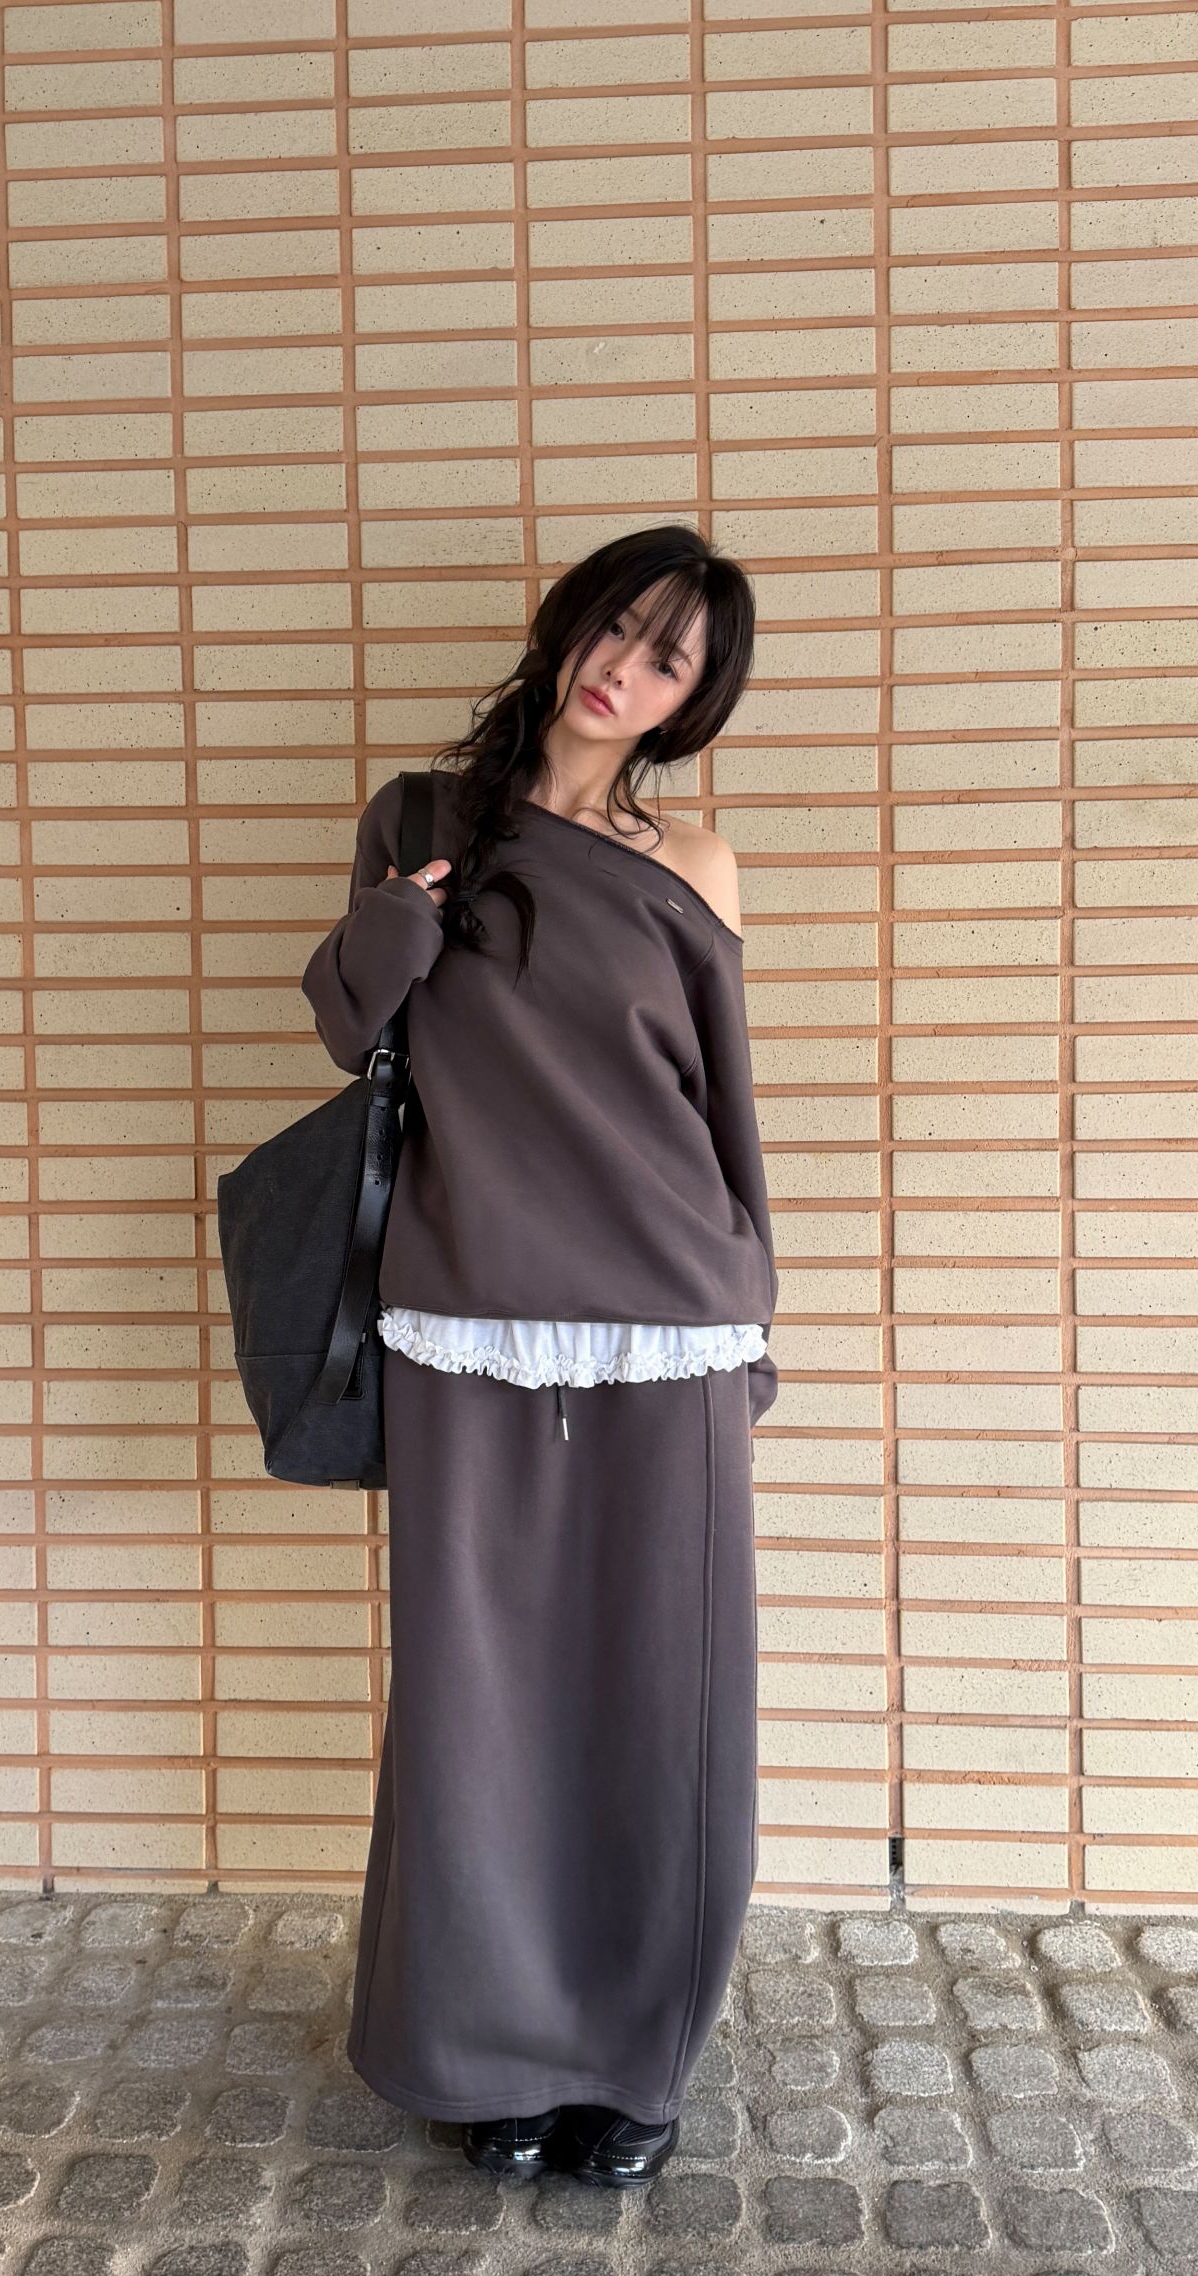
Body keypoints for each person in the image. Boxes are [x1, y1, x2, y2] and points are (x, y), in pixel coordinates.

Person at [299, 524, 777, 2190]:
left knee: (667, 1698)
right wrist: (399, 926)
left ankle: (634, 2065)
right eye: (617, 629)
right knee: (476, 1701)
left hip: (670, 1312)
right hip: (466, 1307)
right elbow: (347, 1024)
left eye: (668, 659)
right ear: (569, 623)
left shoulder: (696, 860)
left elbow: (721, 1104)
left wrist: (753, 1303)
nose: (623, 669)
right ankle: (490, 2051)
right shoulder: (421, 820)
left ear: (691, 702)